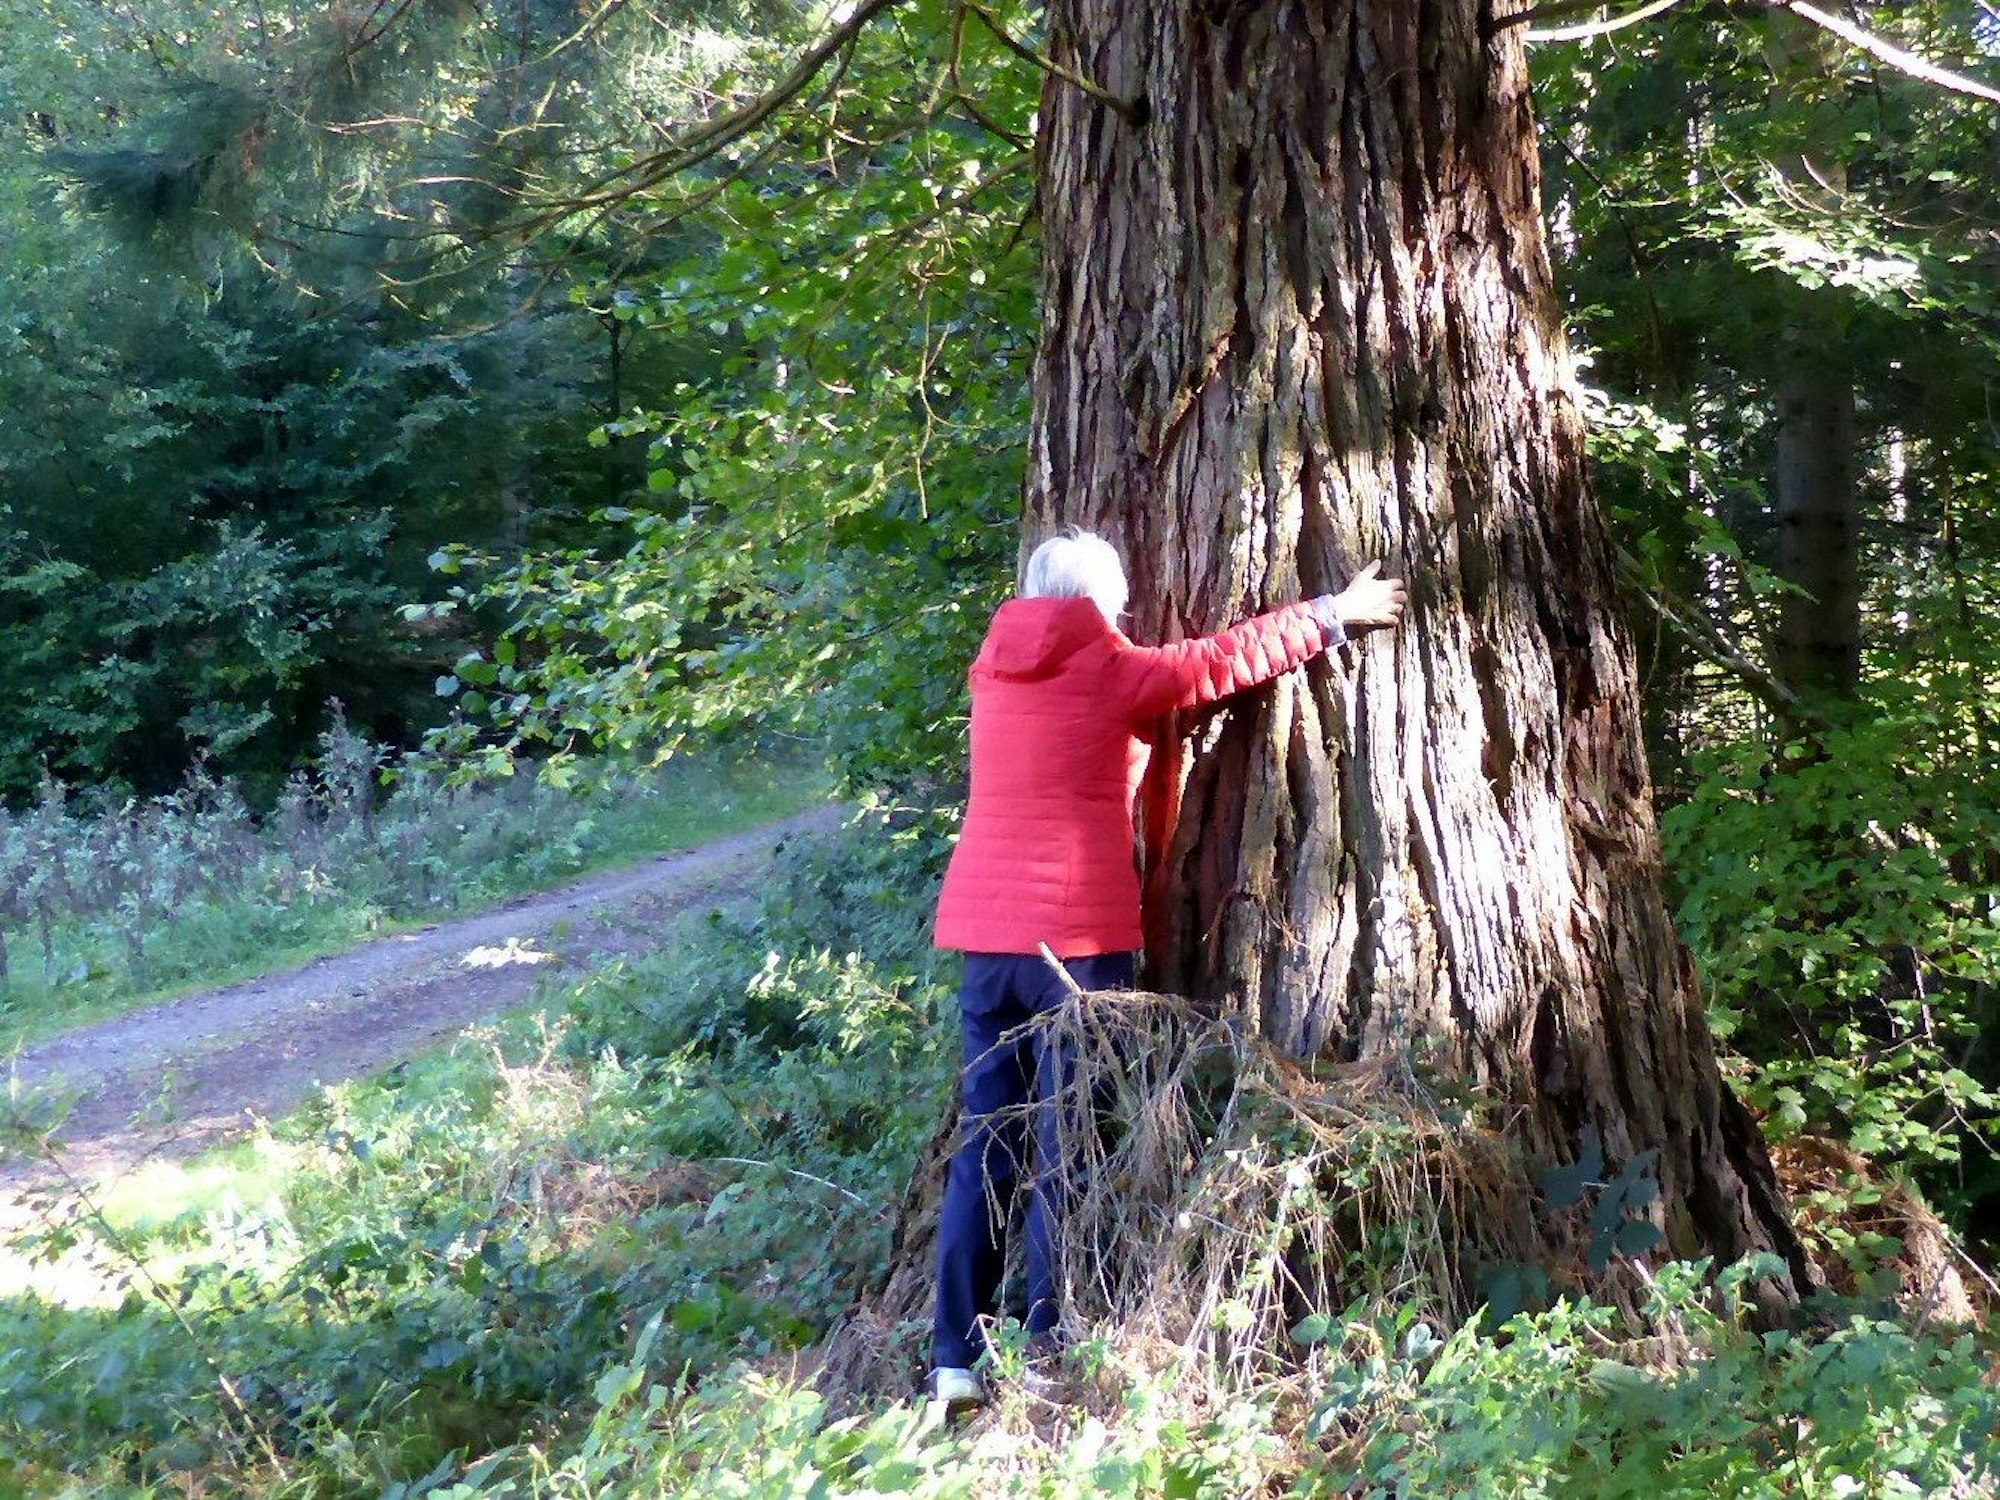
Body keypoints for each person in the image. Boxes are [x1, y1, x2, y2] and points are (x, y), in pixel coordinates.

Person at [926, 527, 1407, 1408]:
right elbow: (1218, 662)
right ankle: (1046, 1346)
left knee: (985, 1147)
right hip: (1074, 944)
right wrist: (1333, 613)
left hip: (988, 943)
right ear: (1102, 603)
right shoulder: (1109, 670)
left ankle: (953, 1358)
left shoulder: (993, 673)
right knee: (1067, 1148)